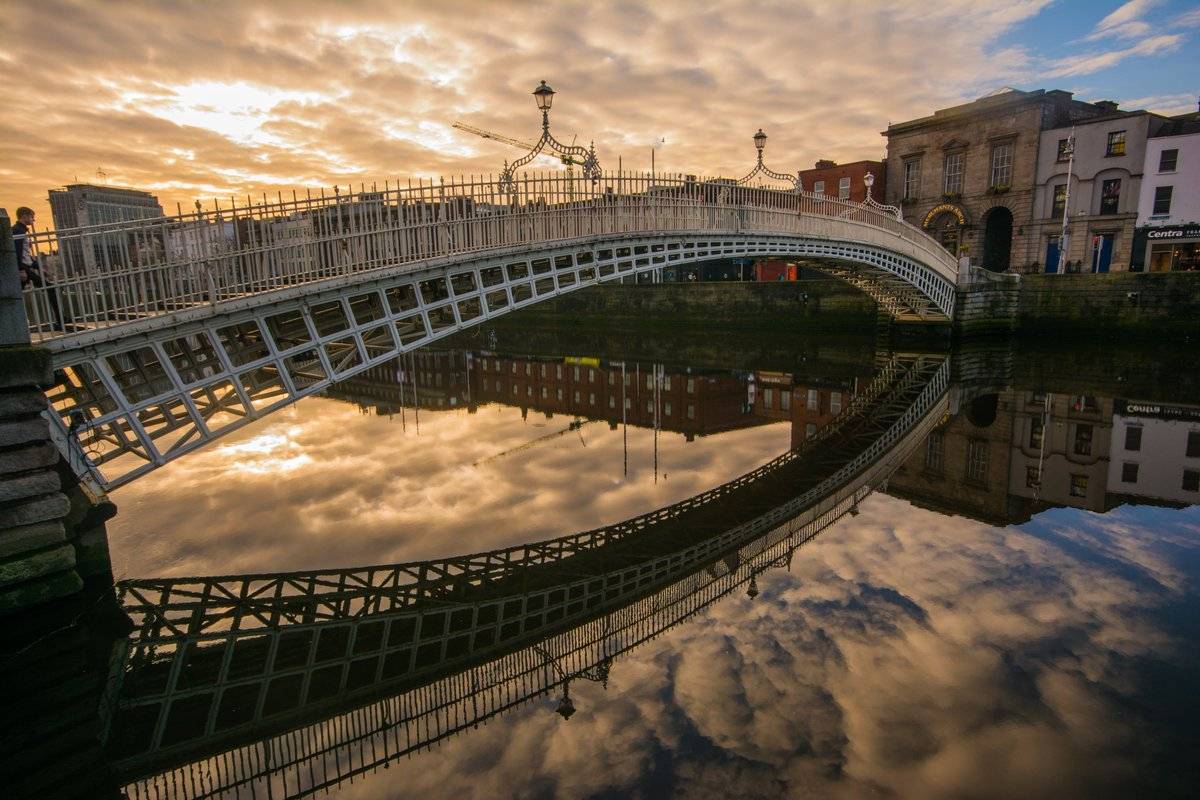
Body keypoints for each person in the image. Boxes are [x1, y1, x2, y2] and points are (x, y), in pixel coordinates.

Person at [11, 207, 64, 330]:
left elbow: (25, 255)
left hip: (25, 268)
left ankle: (59, 319)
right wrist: (21, 270)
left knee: (17, 296)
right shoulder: (18, 231)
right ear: (23, 216)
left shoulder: (20, 230)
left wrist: (40, 268)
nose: (33, 220)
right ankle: (60, 320)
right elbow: (16, 253)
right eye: (31, 216)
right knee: (51, 289)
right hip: (24, 269)